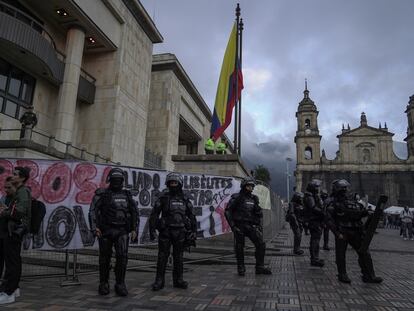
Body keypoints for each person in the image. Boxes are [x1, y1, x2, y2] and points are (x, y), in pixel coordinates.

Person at [89, 168, 138, 296]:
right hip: (106, 230)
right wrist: (95, 227)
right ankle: (103, 283)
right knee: (104, 258)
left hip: (122, 231)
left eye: (119, 180)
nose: (116, 182)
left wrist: (134, 228)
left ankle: (120, 283)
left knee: (122, 257)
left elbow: (134, 212)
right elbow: (93, 210)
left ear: (122, 180)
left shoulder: (127, 195)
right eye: (114, 179)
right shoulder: (102, 194)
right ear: (110, 180)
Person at [326, 179, 383, 284]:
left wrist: (366, 213)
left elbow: (356, 213)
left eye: (346, 188)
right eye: (343, 188)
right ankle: (342, 274)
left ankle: (369, 275)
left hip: (356, 230)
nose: (346, 190)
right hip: (342, 230)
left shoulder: (352, 200)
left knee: (364, 252)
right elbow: (329, 219)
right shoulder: (331, 201)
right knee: (341, 254)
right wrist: (337, 233)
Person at [149, 172, 197, 291]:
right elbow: (154, 214)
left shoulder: (185, 199)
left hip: (180, 232)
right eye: (171, 182)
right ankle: (159, 281)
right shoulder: (163, 198)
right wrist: (152, 231)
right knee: (162, 257)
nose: (173, 184)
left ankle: (178, 280)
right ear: (168, 184)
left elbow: (192, 216)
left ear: (180, 184)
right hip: (166, 232)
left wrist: (194, 231)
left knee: (179, 257)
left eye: (175, 182)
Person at [225, 177, 272, 276]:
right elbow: (228, 211)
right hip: (239, 225)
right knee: (240, 246)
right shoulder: (237, 197)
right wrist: (233, 227)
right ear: (244, 186)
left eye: (252, 186)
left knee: (261, 244)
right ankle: (241, 267)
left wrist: (258, 220)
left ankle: (259, 267)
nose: (251, 188)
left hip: (251, 226)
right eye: (249, 186)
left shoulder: (254, 198)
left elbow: (257, 213)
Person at [0, 167, 31, 304]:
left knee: (12, 263)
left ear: (23, 178)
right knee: (13, 261)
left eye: (15, 174)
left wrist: (4, 212)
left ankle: (9, 293)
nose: (12, 176)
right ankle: (13, 288)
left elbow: (19, 212)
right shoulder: (18, 191)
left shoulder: (23, 191)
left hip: (14, 231)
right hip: (12, 230)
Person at [303, 179, 325, 267]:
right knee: (315, 240)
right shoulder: (309, 197)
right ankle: (314, 259)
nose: (318, 189)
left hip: (316, 220)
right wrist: (322, 212)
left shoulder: (312, 196)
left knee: (316, 239)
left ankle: (316, 257)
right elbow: (313, 208)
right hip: (314, 220)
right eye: (317, 187)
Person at [0, 178, 17, 284]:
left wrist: (6, 211)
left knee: (11, 260)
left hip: (10, 232)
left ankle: (11, 284)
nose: (6, 189)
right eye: (5, 187)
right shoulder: (4, 198)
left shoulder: (17, 199)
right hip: (2, 231)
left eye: (9, 187)